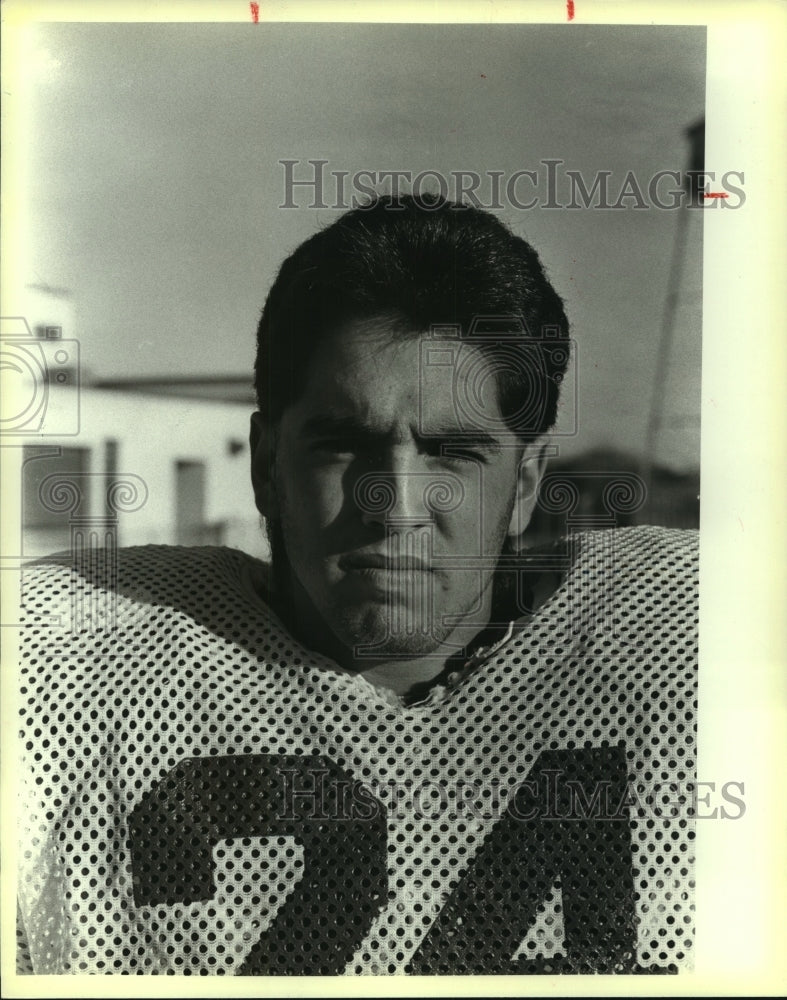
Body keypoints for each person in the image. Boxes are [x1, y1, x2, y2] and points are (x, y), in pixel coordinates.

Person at [17, 194, 697, 976]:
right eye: (345, 445)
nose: (395, 506)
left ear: (523, 484)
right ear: (269, 465)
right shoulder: (65, 674)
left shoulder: (686, 644)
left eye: (452, 451)